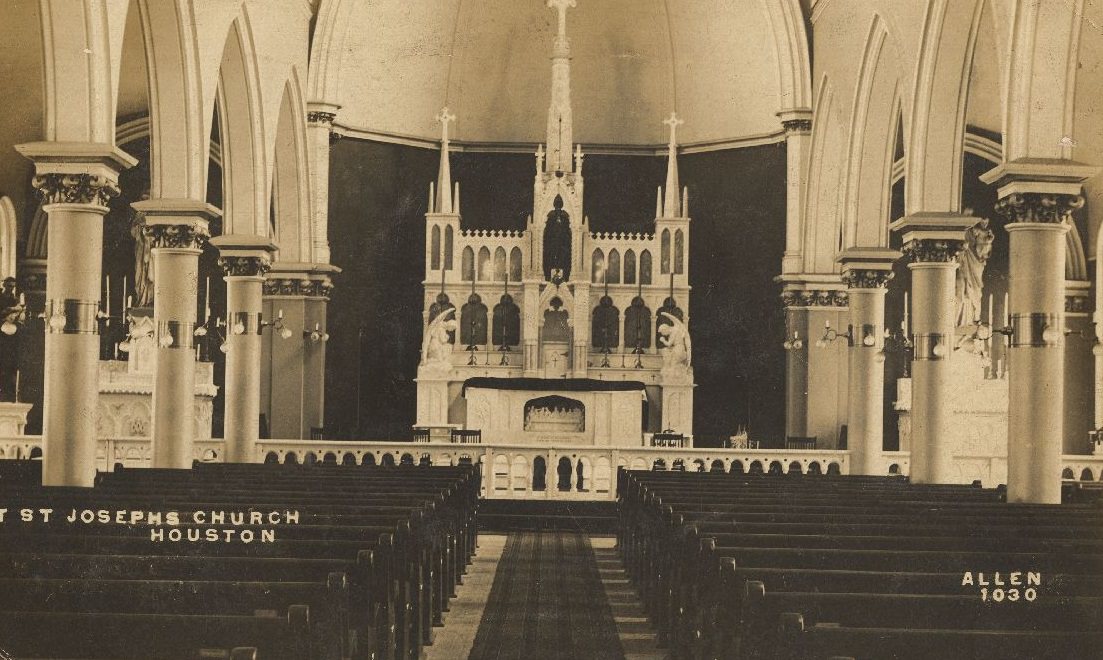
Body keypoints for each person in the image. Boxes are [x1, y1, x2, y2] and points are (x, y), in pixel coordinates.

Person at [955, 216, 994, 327]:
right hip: (966, 266)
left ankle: (973, 319)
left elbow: (983, 254)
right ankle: (960, 321)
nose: (985, 224)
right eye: (982, 222)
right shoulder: (969, 240)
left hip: (976, 267)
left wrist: (987, 243)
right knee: (962, 293)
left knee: (974, 294)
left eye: (986, 222)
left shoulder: (986, 236)